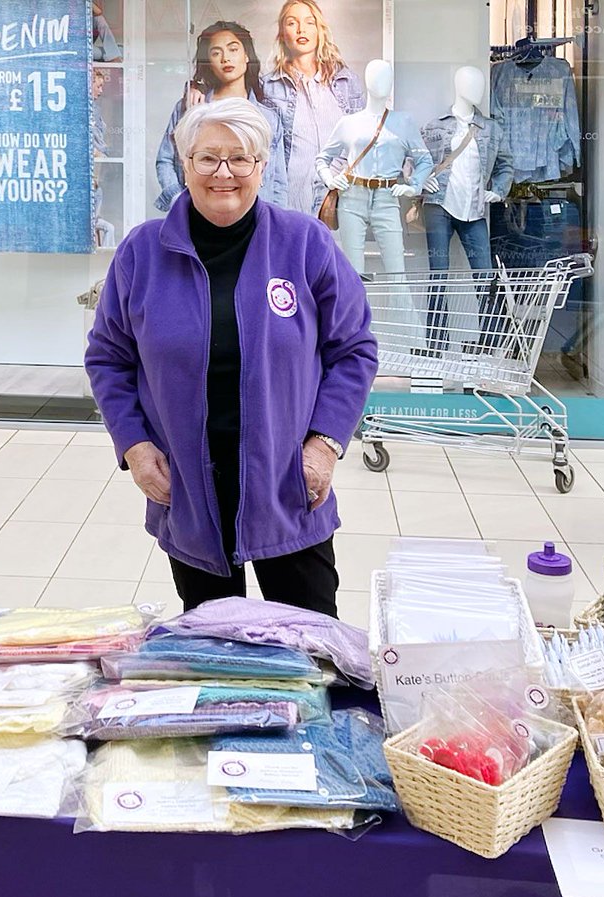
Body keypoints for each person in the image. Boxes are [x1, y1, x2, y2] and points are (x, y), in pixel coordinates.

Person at [86, 98, 378, 617]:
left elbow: (353, 349)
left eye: (240, 158)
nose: (224, 173)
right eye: (208, 158)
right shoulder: (142, 253)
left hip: (289, 485)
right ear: (186, 164)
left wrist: (326, 444)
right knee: (217, 648)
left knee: (310, 642)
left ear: (262, 167)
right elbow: (109, 357)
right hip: (189, 489)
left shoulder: (304, 243)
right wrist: (132, 445)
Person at [154, 21, 288, 212]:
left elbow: (278, 181)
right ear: (209, 62)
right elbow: (165, 160)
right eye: (216, 53)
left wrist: (276, 222)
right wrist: (179, 202)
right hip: (199, 218)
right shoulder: (190, 107)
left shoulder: (268, 117)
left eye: (233, 50)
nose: (226, 58)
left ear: (247, 55)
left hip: (255, 220)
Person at [261, 0, 365, 215]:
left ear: (319, 30)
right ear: (282, 33)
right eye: (292, 23)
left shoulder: (345, 81)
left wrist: (338, 180)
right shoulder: (268, 86)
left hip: (338, 197)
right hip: (290, 197)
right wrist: (198, 84)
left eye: (309, 22)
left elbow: (363, 139)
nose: (301, 29)